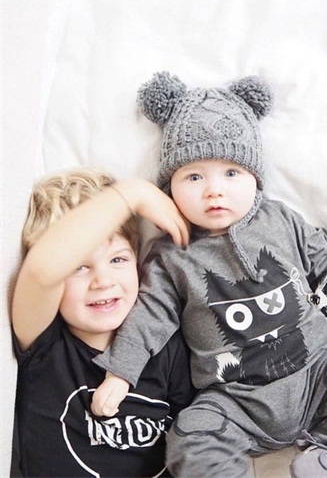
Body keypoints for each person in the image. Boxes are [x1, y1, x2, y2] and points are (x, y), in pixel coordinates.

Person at [91, 72, 327, 478]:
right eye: (194, 177)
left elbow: (324, 255)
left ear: (255, 178)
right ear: (168, 188)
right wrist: (120, 374)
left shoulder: (280, 220)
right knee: (189, 434)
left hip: (315, 373)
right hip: (233, 399)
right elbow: (149, 315)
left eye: (231, 173)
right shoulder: (172, 254)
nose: (214, 190)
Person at [11, 167, 196, 477]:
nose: (103, 281)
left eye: (117, 259)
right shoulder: (45, 344)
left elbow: (195, 433)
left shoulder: (167, 345)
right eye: (79, 267)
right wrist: (132, 194)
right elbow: (42, 271)